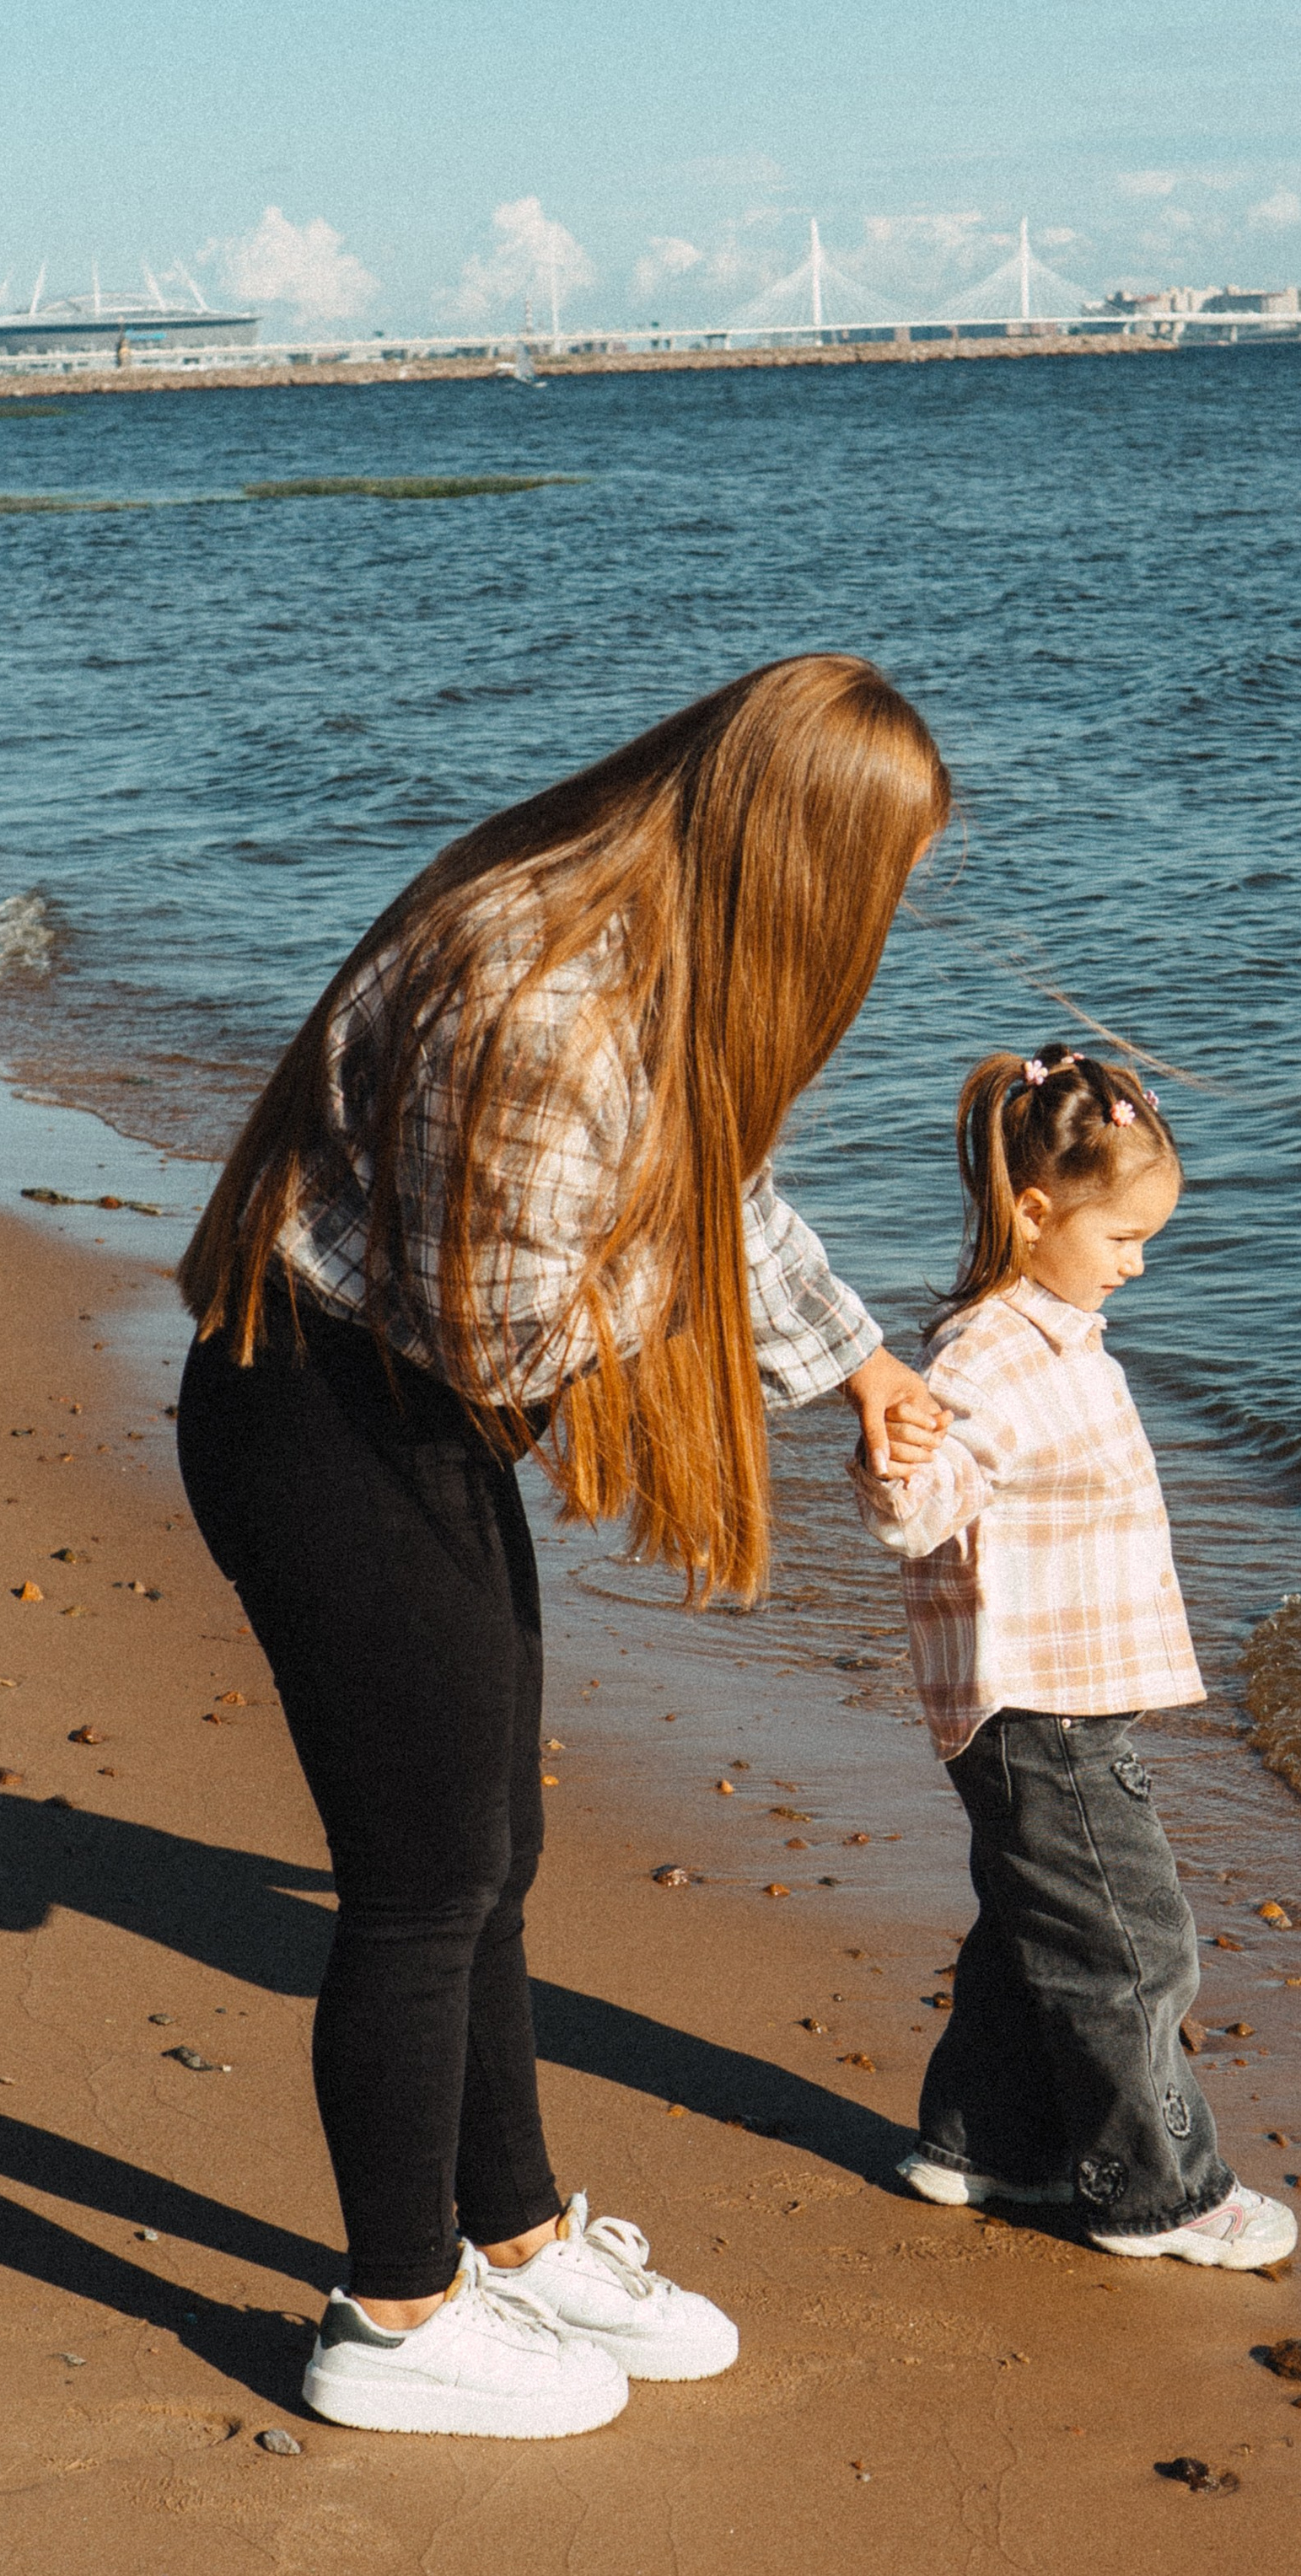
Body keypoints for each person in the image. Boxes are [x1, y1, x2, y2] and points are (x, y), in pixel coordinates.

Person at [175, 655, 954, 2436]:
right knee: (421, 1880)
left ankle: (511, 2242)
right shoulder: (539, 1003)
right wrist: (694, 1309)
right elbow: (511, 1341)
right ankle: (388, 2317)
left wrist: (855, 1365)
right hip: (327, 1420)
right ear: (801, 854)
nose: (890, 915)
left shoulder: (649, 948)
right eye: (885, 874)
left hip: (397, 1417)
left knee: (490, 1848)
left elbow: (710, 1181)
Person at [852, 1045, 1298, 2271]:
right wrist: (895, 1458)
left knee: (1032, 1928)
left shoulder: (1053, 1335)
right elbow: (916, 1509)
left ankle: (981, 2143)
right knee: (1133, 1946)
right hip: (1035, 1709)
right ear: (1034, 1213)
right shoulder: (991, 1354)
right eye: (1122, 1239)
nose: (1139, 1262)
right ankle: (1161, 2192)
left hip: (1051, 1701)